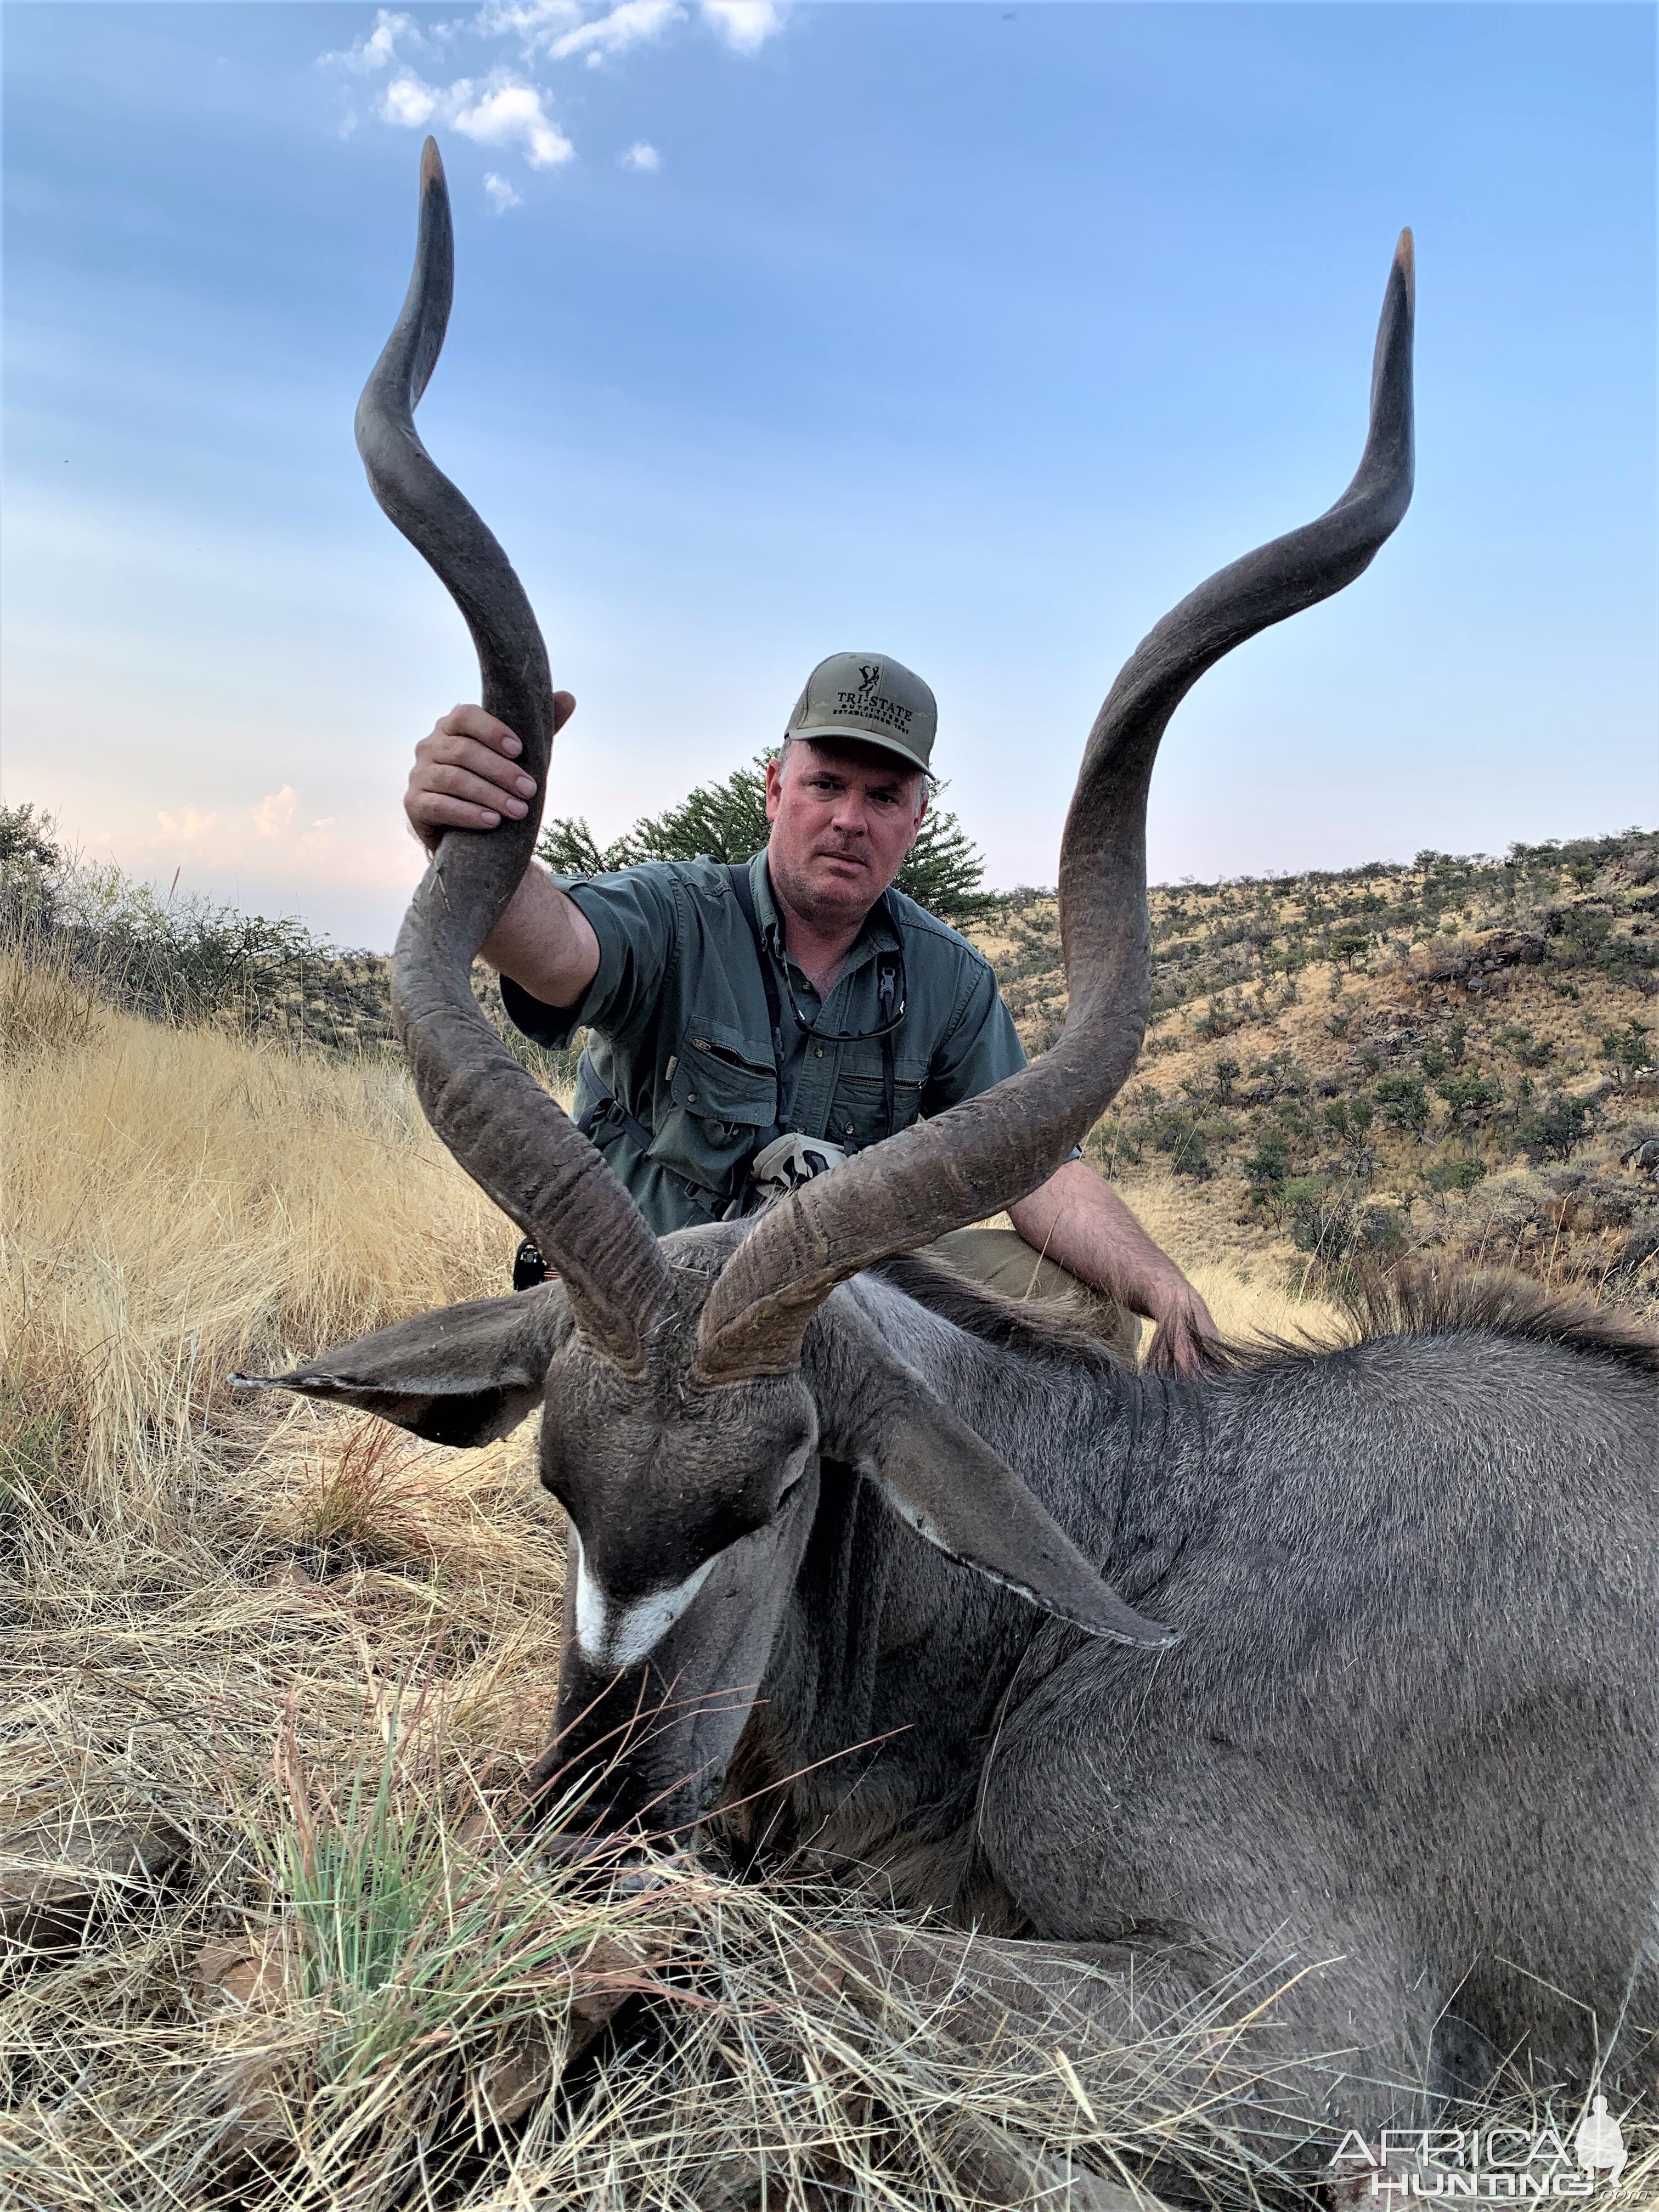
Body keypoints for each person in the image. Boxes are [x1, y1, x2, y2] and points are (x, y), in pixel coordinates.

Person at [403, 651, 1222, 1375]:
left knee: (1086, 1312)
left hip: (835, 1302)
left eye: (883, 796)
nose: (849, 820)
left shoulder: (951, 978)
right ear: (775, 788)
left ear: (917, 820)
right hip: (655, 1292)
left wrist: (1169, 1291)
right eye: (826, 784)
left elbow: (1040, 1169)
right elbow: (552, 947)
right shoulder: (676, 913)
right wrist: (477, 834)